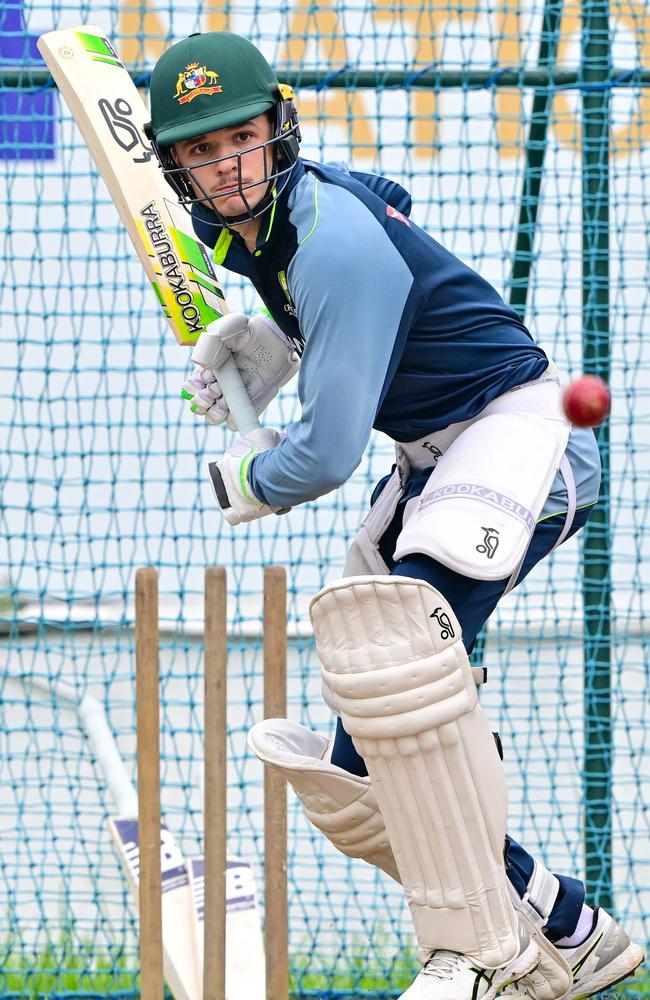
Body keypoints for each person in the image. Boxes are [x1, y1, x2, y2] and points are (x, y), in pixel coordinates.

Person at [147, 31, 644, 1000]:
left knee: (399, 683)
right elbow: (391, 207)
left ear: (276, 130)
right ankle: (563, 922)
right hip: (436, 458)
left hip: (518, 442)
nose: (224, 166)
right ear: (177, 167)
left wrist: (243, 474)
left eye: (238, 138)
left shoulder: (325, 238)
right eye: (199, 152)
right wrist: (275, 343)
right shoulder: (263, 230)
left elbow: (328, 451)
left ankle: (480, 957)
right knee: (359, 763)